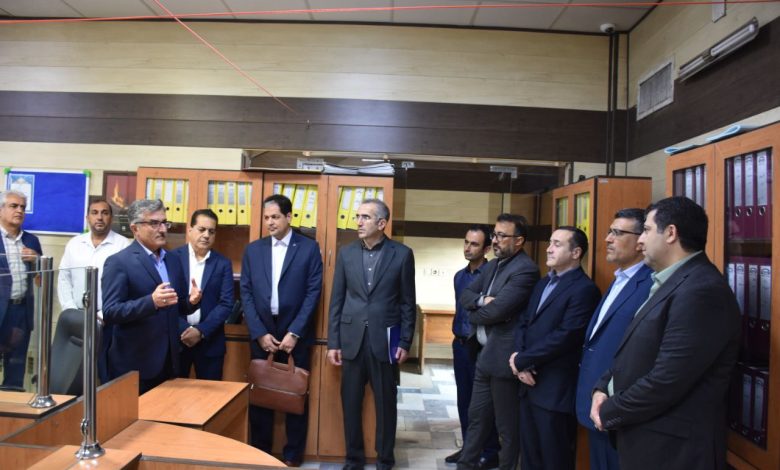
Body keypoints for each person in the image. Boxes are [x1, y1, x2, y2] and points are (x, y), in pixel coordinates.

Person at [590, 196, 741, 470]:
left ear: (671, 233)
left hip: (671, 450)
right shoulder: (668, 281)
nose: (640, 241)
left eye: (646, 230)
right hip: (644, 437)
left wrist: (610, 409)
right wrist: (602, 387)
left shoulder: (701, 290)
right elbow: (635, 351)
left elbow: (668, 379)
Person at [327, 198, 416, 470]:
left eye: (365, 217)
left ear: (381, 223)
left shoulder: (402, 254)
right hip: (351, 339)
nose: (358, 222)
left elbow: (407, 303)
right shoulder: (346, 253)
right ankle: (353, 459)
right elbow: (337, 299)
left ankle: (385, 460)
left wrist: (405, 341)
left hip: (386, 341)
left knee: (386, 405)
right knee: (350, 404)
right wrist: (333, 342)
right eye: (357, 216)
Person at [241, 194, 322, 467]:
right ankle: (260, 453)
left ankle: (292, 455)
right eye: (266, 218)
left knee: (295, 394)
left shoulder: (308, 248)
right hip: (262, 331)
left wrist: (295, 332)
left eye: (275, 217)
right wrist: (259, 332)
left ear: (289, 217)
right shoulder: (253, 250)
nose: (270, 222)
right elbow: (246, 293)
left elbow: (313, 293)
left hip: (295, 333)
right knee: (261, 394)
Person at [510, 226, 600, 470]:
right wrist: (518, 358)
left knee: (554, 459)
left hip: (554, 390)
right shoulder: (543, 283)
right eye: (550, 242)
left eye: (557, 244)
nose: (549, 249)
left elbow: (566, 336)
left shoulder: (584, 289)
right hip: (528, 383)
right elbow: (524, 322)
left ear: (576, 253)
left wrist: (523, 360)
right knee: (529, 457)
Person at [457, 214, 539, 470]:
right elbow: (465, 295)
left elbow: (498, 311)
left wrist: (474, 313)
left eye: (502, 236)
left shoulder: (525, 269)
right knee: (476, 418)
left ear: (519, 240)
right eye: (494, 235)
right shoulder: (493, 265)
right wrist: (481, 301)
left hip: (505, 359)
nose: (495, 240)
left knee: (506, 427)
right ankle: (466, 465)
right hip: (484, 354)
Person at [574, 209, 652, 470]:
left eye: (617, 233)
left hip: (618, 404)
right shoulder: (619, 278)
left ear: (641, 240)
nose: (608, 239)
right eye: (609, 232)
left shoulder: (650, 284)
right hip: (597, 400)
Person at [102, 199, 201, 394]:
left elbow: (176, 306)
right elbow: (111, 311)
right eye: (154, 223)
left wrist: (191, 302)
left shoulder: (173, 260)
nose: (162, 229)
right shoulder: (119, 262)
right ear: (135, 228)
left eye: (164, 223)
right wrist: (151, 302)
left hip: (170, 361)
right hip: (136, 364)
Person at [58, 199, 130, 383]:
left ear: (111, 217)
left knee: (106, 374)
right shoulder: (75, 244)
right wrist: (71, 311)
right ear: (87, 217)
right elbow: (64, 278)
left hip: (108, 320)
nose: (100, 217)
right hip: (77, 318)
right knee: (74, 374)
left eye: (105, 213)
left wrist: (103, 314)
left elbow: (126, 287)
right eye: (95, 212)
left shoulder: (123, 245)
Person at [445, 225, 500, 468]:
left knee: (483, 403)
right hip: (460, 344)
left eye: (474, 244)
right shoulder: (460, 276)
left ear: (487, 249)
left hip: (481, 347)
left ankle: (490, 451)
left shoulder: (492, 276)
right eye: (466, 242)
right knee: (463, 399)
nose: (468, 248)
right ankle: (469, 448)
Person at [173, 209, 233, 381]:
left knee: (211, 394)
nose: (206, 235)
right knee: (173, 394)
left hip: (210, 341)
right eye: (202, 229)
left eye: (211, 231)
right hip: (177, 340)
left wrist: (200, 331)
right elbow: (168, 301)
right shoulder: (172, 258)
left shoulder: (223, 263)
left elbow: (226, 303)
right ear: (190, 230)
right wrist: (185, 330)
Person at [0, 190, 42, 390]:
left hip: (20, 312)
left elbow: (41, 277)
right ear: (1, 210)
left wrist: (37, 260)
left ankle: (11, 405)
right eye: (13, 206)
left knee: (15, 368)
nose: (19, 211)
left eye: (22, 207)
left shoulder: (31, 241)